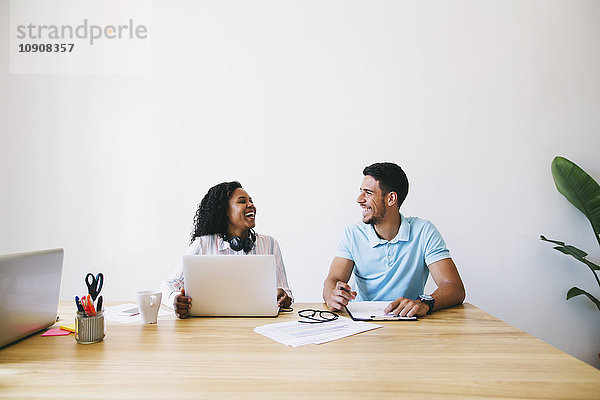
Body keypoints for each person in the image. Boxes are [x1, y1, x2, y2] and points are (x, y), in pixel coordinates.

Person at [323, 162, 465, 318]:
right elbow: (333, 279)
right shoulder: (353, 233)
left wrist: (424, 303)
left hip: (408, 322)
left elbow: (454, 288)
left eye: (368, 193)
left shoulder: (424, 231)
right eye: (361, 191)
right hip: (362, 323)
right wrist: (332, 295)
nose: (359, 199)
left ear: (391, 198)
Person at [160, 181, 293, 318]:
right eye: (242, 201)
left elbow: (286, 293)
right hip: (210, 327)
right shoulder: (203, 244)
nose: (251, 205)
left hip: (258, 324)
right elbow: (167, 286)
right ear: (225, 211)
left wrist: (285, 298)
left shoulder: (270, 244)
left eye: (251, 201)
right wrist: (175, 300)